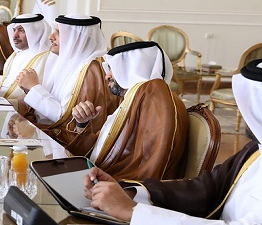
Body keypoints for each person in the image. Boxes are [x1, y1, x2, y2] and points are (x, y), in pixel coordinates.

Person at [84, 58, 262, 225]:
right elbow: (207, 187)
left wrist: (133, 212)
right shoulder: (257, 149)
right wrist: (128, 192)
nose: (245, 111)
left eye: (254, 103)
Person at [69, 41, 187, 180]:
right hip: (101, 175)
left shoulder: (155, 93)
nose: (107, 76)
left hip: (117, 184)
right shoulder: (135, 97)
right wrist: (82, 123)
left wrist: (109, 185)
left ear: (133, 67)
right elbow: (104, 150)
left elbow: (150, 165)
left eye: (113, 69)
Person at [16, 15, 120, 153]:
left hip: (67, 145)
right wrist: (29, 90)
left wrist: (33, 88)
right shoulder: (59, 59)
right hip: (49, 137)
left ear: (77, 39)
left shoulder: (92, 70)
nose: (51, 37)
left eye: (58, 32)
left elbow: (69, 120)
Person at [0, 13, 51, 99]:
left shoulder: (43, 57)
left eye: (21, 30)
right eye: (14, 30)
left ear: (35, 33)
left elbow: (29, 89)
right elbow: (4, 78)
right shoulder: (16, 54)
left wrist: (0, 93)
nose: (15, 35)